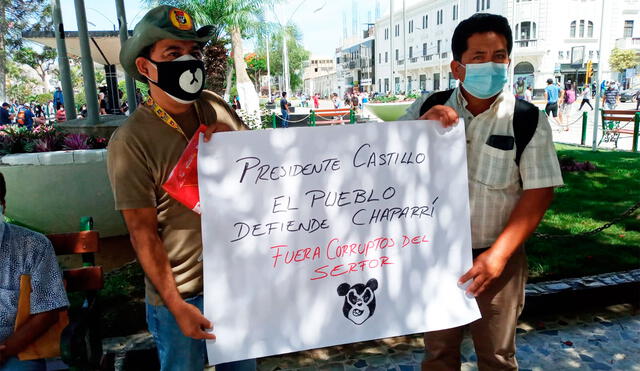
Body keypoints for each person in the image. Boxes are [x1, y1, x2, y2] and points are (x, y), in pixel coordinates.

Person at [399, 13, 563, 370]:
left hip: (497, 257)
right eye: (479, 58)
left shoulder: (527, 118)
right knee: (439, 353)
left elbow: (539, 190)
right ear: (458, 68)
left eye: (500, 56)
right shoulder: (427, 107)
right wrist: (416, 133)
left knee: (498, 357)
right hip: (436, 256)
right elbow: (384, 163)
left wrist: (499, 256)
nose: (492, 65)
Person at [107, 6, 256, 370]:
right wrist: (177, 307)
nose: (188, 62)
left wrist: (240, 149)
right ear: (145, 68)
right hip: (183, 297)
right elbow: (143, 234)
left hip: (235, 286)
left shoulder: (215, 106)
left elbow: (264, 173)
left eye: (194, 53)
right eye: (173, 54)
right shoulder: (131, 141)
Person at [0, 172, 69, 370]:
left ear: (3, 205)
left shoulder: (34, 246)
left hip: (17, 351)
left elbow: (48, 311)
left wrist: (5, 351)